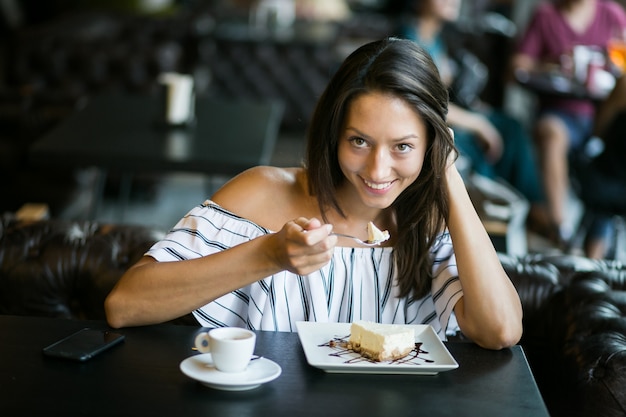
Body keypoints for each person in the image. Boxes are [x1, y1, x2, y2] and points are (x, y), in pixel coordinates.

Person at [105, 38, 522, 350]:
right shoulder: (266, 193)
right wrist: (269, 255)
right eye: (359, 141)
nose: (378, 171)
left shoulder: (429, 221)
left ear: (432, 144)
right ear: (333, 133)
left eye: (403, 146)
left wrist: (448, 173)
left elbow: (500, 330)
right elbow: (124, 305)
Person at [390, 0, 548, 234]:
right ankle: (486, 214)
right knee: (469, 144)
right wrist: (477, 123)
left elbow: (451, 93)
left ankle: (533, 209)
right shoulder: (408, 40)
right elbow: (419, 103)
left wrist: (477, 112)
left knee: (511, 127)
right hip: (430, 123)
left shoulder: (439, 38)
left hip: (451, 112)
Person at [511, 0, 626, 258]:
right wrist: (550, 64)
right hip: (560, 111)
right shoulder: (546, 16)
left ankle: (595, 258)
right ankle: (561, 231)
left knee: (615, 158)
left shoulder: (612, 15)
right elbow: (516, 67)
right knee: (551, 134)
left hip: (603, 117)